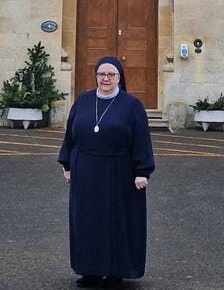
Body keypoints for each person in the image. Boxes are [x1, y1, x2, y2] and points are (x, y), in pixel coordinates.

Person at [58, 56, 155, 287]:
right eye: (102, 74)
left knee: (115, 221)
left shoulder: (131, 105)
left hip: (118, 172)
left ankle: (114, 271)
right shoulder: (83, 100)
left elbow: (141, 139)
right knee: (86, 221)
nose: (106, 79)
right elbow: (70, 135)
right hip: (85, 171)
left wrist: (142, 171)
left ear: (119, 78)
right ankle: (89, 271)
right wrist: (67, 165)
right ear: (96, 76)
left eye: (111, 75)